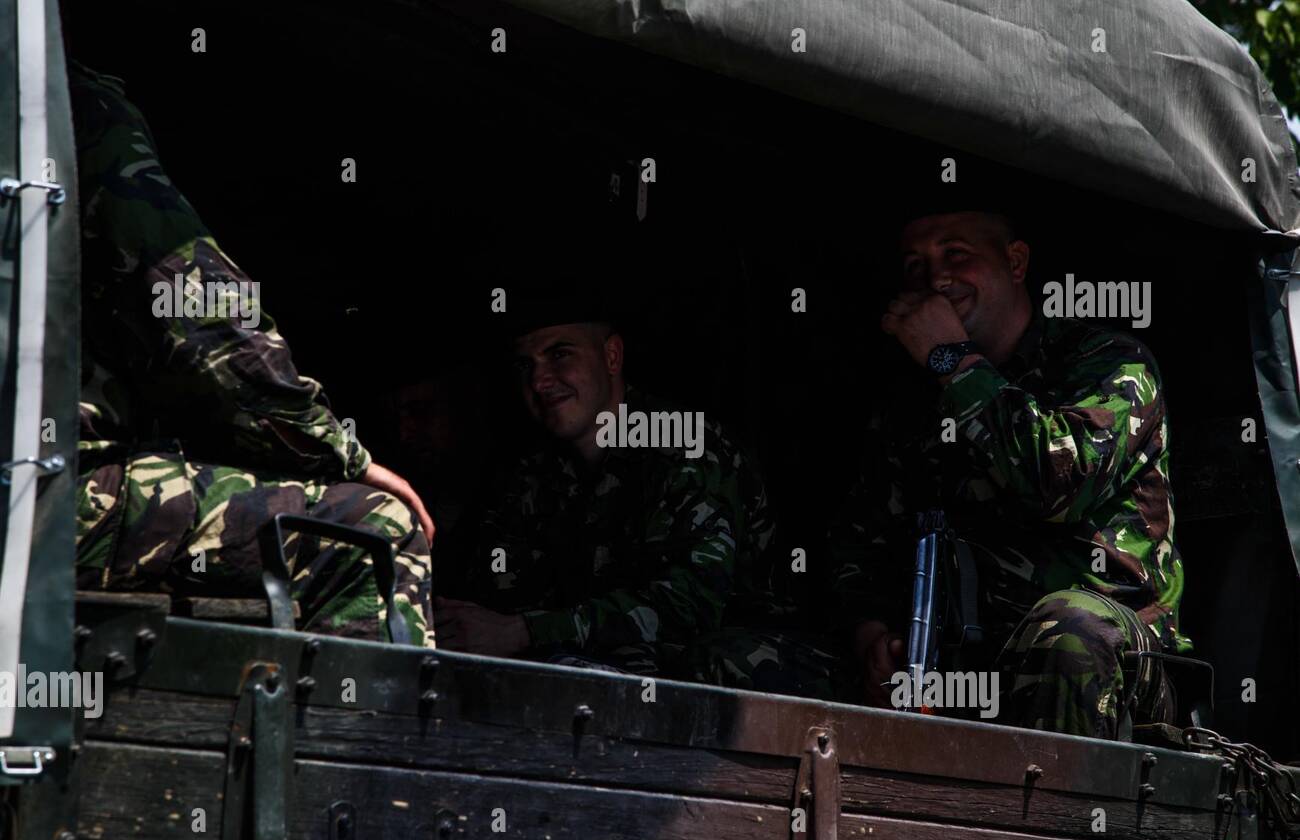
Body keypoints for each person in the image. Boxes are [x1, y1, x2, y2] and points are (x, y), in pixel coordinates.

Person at [70, 62, 434, 644]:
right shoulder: (63, 98)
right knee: (376, 530)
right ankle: (351, 736)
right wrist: (342, 456)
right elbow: (200, 314)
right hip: (48, 502)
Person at [829, 207, 1184, 738]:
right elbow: (861, 543)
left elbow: (1059, 485)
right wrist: (873, 640)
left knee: (1066, 630)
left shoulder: (1106, 361)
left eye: (956, 255)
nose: (935, 279)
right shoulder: (908, 403)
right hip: (955, 664)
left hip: (1111, 656)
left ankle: (1067, 823)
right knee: (748, 659)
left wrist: (953, 361)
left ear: (1015, 263)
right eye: (914, 265)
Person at [436, 294, 836, 695]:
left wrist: (527, 631)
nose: (539, 381)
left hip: (740, 661)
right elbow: (497, 597)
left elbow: (689, 605)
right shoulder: (532, 472)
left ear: (611, 357)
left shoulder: (685, 445)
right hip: (613, 655)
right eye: (525, 365)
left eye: (559, 355)